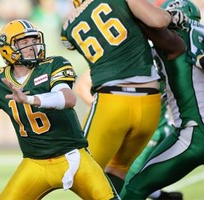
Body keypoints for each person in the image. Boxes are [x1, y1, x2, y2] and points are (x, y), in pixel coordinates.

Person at [0, 19, 119, 200]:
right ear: (8, 49)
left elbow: (69, 98)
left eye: (34, 40)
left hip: (73, 156)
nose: (32, 46)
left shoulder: (53, 65)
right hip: (35, 163)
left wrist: (30, 99)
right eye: (24, 42)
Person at [61, 0, 186, 193]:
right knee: (119, 169)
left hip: (112, 100)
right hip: (150, 104)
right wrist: (171, 16)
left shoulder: (67, 28)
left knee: (78, 174)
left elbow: (77, 44)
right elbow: (159, 20)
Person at [120, 0, 204, 200]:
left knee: (135, 188)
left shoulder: (179, 35)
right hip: (190, 130)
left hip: (194, 133)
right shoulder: (196, 32)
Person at [74, 69, 183, 200]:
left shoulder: (157, 57)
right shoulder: (125, 55)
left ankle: (161, 196)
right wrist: (104, 110)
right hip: (115, 124)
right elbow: (82, 86)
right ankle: (161, 196)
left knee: (124, 178)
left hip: (150, 129)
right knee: (92, 174)